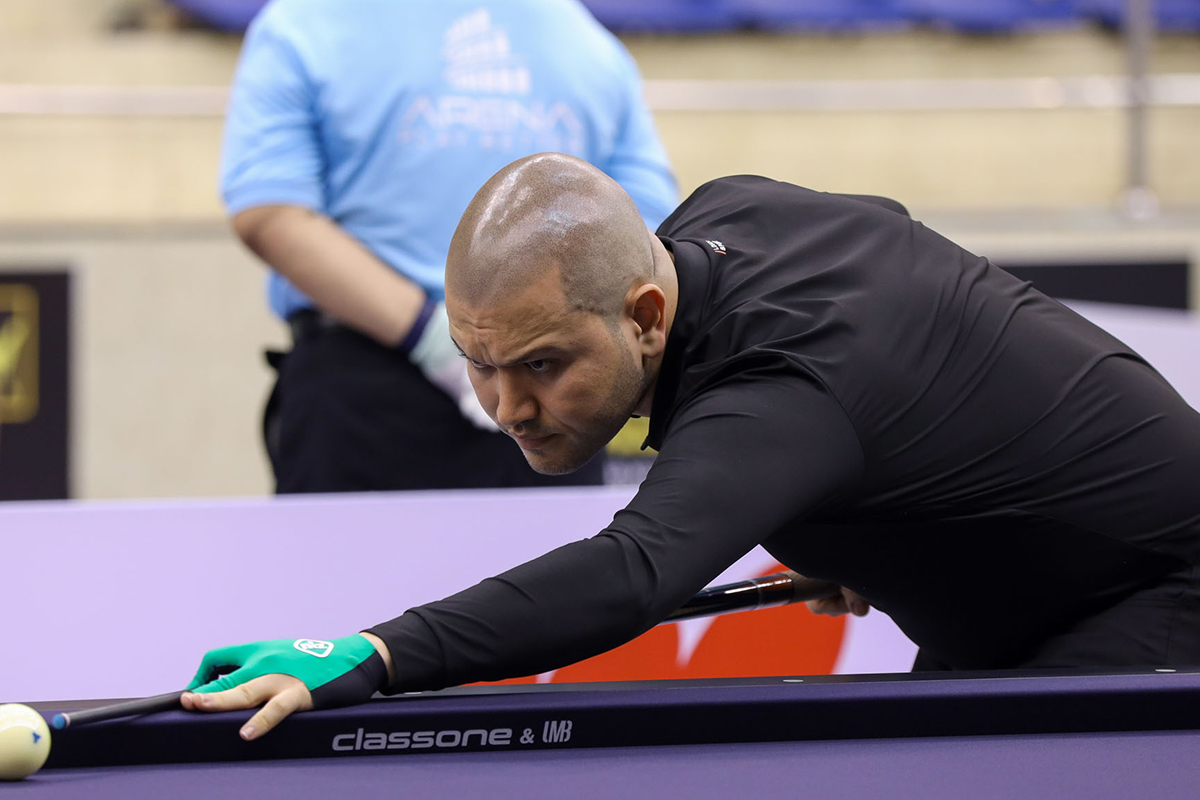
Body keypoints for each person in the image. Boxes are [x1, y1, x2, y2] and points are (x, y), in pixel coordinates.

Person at [181, 153, 1200, 740]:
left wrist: (374, 650)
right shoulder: (725, 216)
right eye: (479, 365)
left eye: (540, 365)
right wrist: (874, 505)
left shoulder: (782, 392)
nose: (506, 405)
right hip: (1030, 593)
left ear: (646, 312)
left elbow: (632, 575)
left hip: (1158, 589)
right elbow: (891, 259)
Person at [221, 0, 677, 492]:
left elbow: (645, 228)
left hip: (554, 387)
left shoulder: (587, 45)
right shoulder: (305, 25)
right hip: (366, 383)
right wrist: (429, 335)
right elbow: (272, 211)